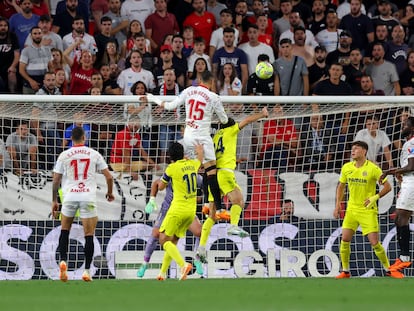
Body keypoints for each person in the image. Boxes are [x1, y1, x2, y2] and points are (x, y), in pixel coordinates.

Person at [147, 70, 228, 233]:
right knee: (212, 172)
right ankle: (218, 209)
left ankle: (206, 206)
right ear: (211, 83)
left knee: (202, 169)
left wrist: (151, 98)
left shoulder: (188, 91)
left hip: (188, 136)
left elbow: (169, 106)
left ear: (199, 80)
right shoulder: (213, 97)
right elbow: (224, 119)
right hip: (203, 138)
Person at [198, 107, 269, 265]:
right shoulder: (231, 130)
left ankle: (201, 247)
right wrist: (262, 115)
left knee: (212, 215)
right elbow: (248, 120)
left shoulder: (215, 137)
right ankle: (233, 226)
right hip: (225, 173)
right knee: (238, 201)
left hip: (213, 175)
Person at [52, 126, 114, 282]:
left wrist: (54, 200)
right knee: (89, 235)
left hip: (70, 196)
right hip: (87, 196)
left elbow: (56, 180)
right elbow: (109, 177)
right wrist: (110, 192)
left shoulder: (64, 155)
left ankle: (63, 261)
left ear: (71, 139)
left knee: (65, 230)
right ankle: (86, 270)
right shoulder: (94, 154)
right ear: (84, 137)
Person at [333, 140, 402, 279]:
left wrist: (374, 197)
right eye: (352, 149)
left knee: (375, 243)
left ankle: (389, 269)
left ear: (364, 151)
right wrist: (337, 205)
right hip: (351, 210)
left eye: (356, 149)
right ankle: (345, 271)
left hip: (367, 210)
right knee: (345, 240)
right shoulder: (347, 167)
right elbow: (341, 186)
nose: (353, 151)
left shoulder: (373, 168)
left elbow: (388, 187)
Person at [137, 157, 203, 278]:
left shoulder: (192, 175)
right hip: (168, 209)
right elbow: (157, 183)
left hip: (182, 209)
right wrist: (151, 200)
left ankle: (196, 259)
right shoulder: (172, 172)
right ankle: (145, 263)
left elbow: (203, 186)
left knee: (199, 231)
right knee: (156, 234)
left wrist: (203, 200)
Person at [153, 142, 203, 281]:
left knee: (163, 239)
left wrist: (162, 181)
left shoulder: (171, 168)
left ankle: (183, 264)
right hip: (191, 211)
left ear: (170, 157)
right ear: (183, 154)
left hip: (177, 209)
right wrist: (200, 151)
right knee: (173, 241)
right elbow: (200, 160)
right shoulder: (192, 164)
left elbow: (162, 187)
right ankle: (162, 273)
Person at [380, 116, 414, 276]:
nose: (403, 127)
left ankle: (404, 257)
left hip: (412, 182)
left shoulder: (413, 142)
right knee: (399, 217)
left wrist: (390, 171)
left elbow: (412, 166)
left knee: (401, 217)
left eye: (405, 125)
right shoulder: (409, 143)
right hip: (407, 182)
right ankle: (404, 257)